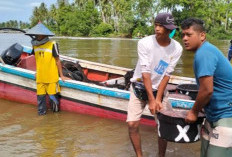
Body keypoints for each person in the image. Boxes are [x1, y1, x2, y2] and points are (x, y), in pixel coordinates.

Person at [127, 13, 183, 157]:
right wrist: (151, 100)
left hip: (159, 89)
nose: (157, 29)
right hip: (139, 87)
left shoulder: (176, 48)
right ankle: (139, 155)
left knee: (163, 125)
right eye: (156, 25)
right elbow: (145, 73)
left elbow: (167, 75)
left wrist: (157, 99)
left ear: (169, 29)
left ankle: (161, 155)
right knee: (132, 125)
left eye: (161, 26)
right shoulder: (144, 43)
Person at [181, 18, 232, 157]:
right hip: (213, 116)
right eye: (183, 35)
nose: (184, 38)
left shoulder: (204, 53)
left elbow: (207, 90)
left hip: (227, 115)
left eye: (189, 35)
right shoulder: (204, 51)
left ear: (202, 35)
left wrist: (193, 112)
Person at [25, 22, 70, 115]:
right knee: (40, 105)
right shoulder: (35, 45)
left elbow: (58, 60)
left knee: (54, 104)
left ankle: (56, 121)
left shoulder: (52, 44)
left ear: (44, 34)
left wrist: (61, 76)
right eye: (35, 34)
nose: (36, 35)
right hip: (40, 78)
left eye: (38, 33)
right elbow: (35, 59)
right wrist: (36, 71)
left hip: (51, 78)